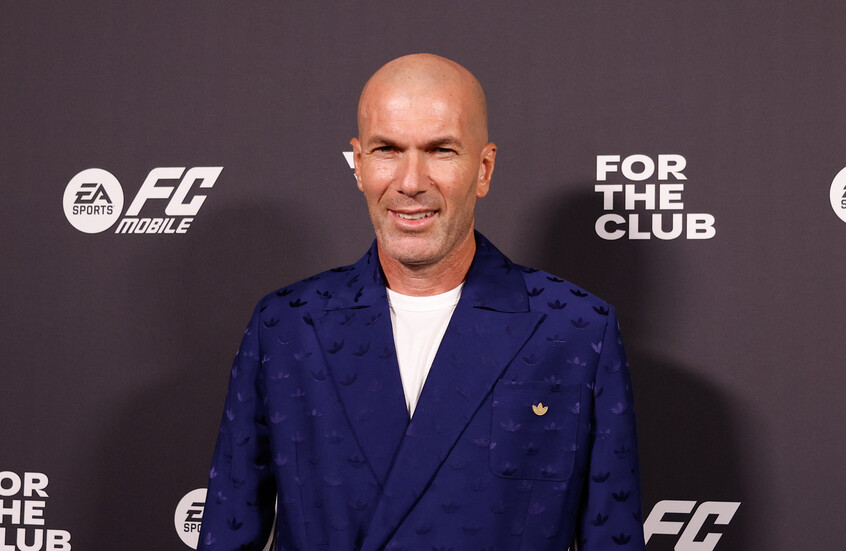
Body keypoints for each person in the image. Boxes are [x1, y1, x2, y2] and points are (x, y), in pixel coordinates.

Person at [198, 53, 645, 551]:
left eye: (440, 151)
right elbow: (227, 532)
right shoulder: (286, 328)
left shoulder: (577, 330)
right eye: (387, 149)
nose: (410, 182)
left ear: (484, 169)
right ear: (359, 165)